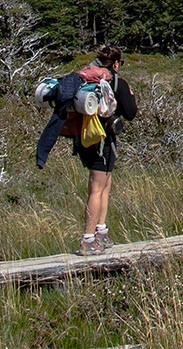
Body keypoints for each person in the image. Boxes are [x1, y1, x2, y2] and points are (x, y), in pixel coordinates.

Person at [34, 45, 137, 255]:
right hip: (101, 140)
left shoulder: (85, 78)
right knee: (97, 189)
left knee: (104, 184)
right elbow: (131, 112)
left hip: (83, 138)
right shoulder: (116, 82)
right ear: (116, 64)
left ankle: (101, 231)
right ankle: (88, 239)